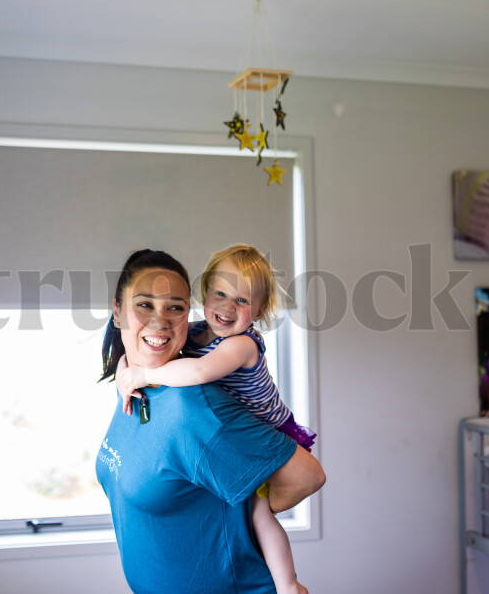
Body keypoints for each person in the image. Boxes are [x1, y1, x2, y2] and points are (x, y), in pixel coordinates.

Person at [96, 249, 325, 594]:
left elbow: (309, 476)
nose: (160, 321)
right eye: (145, 304)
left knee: (260, 514)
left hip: (235, 584)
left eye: (174, 307)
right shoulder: (140, 377)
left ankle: (288, 584)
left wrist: (246, 508)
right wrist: (129, 370)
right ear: (117, 310)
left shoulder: (194, 404)